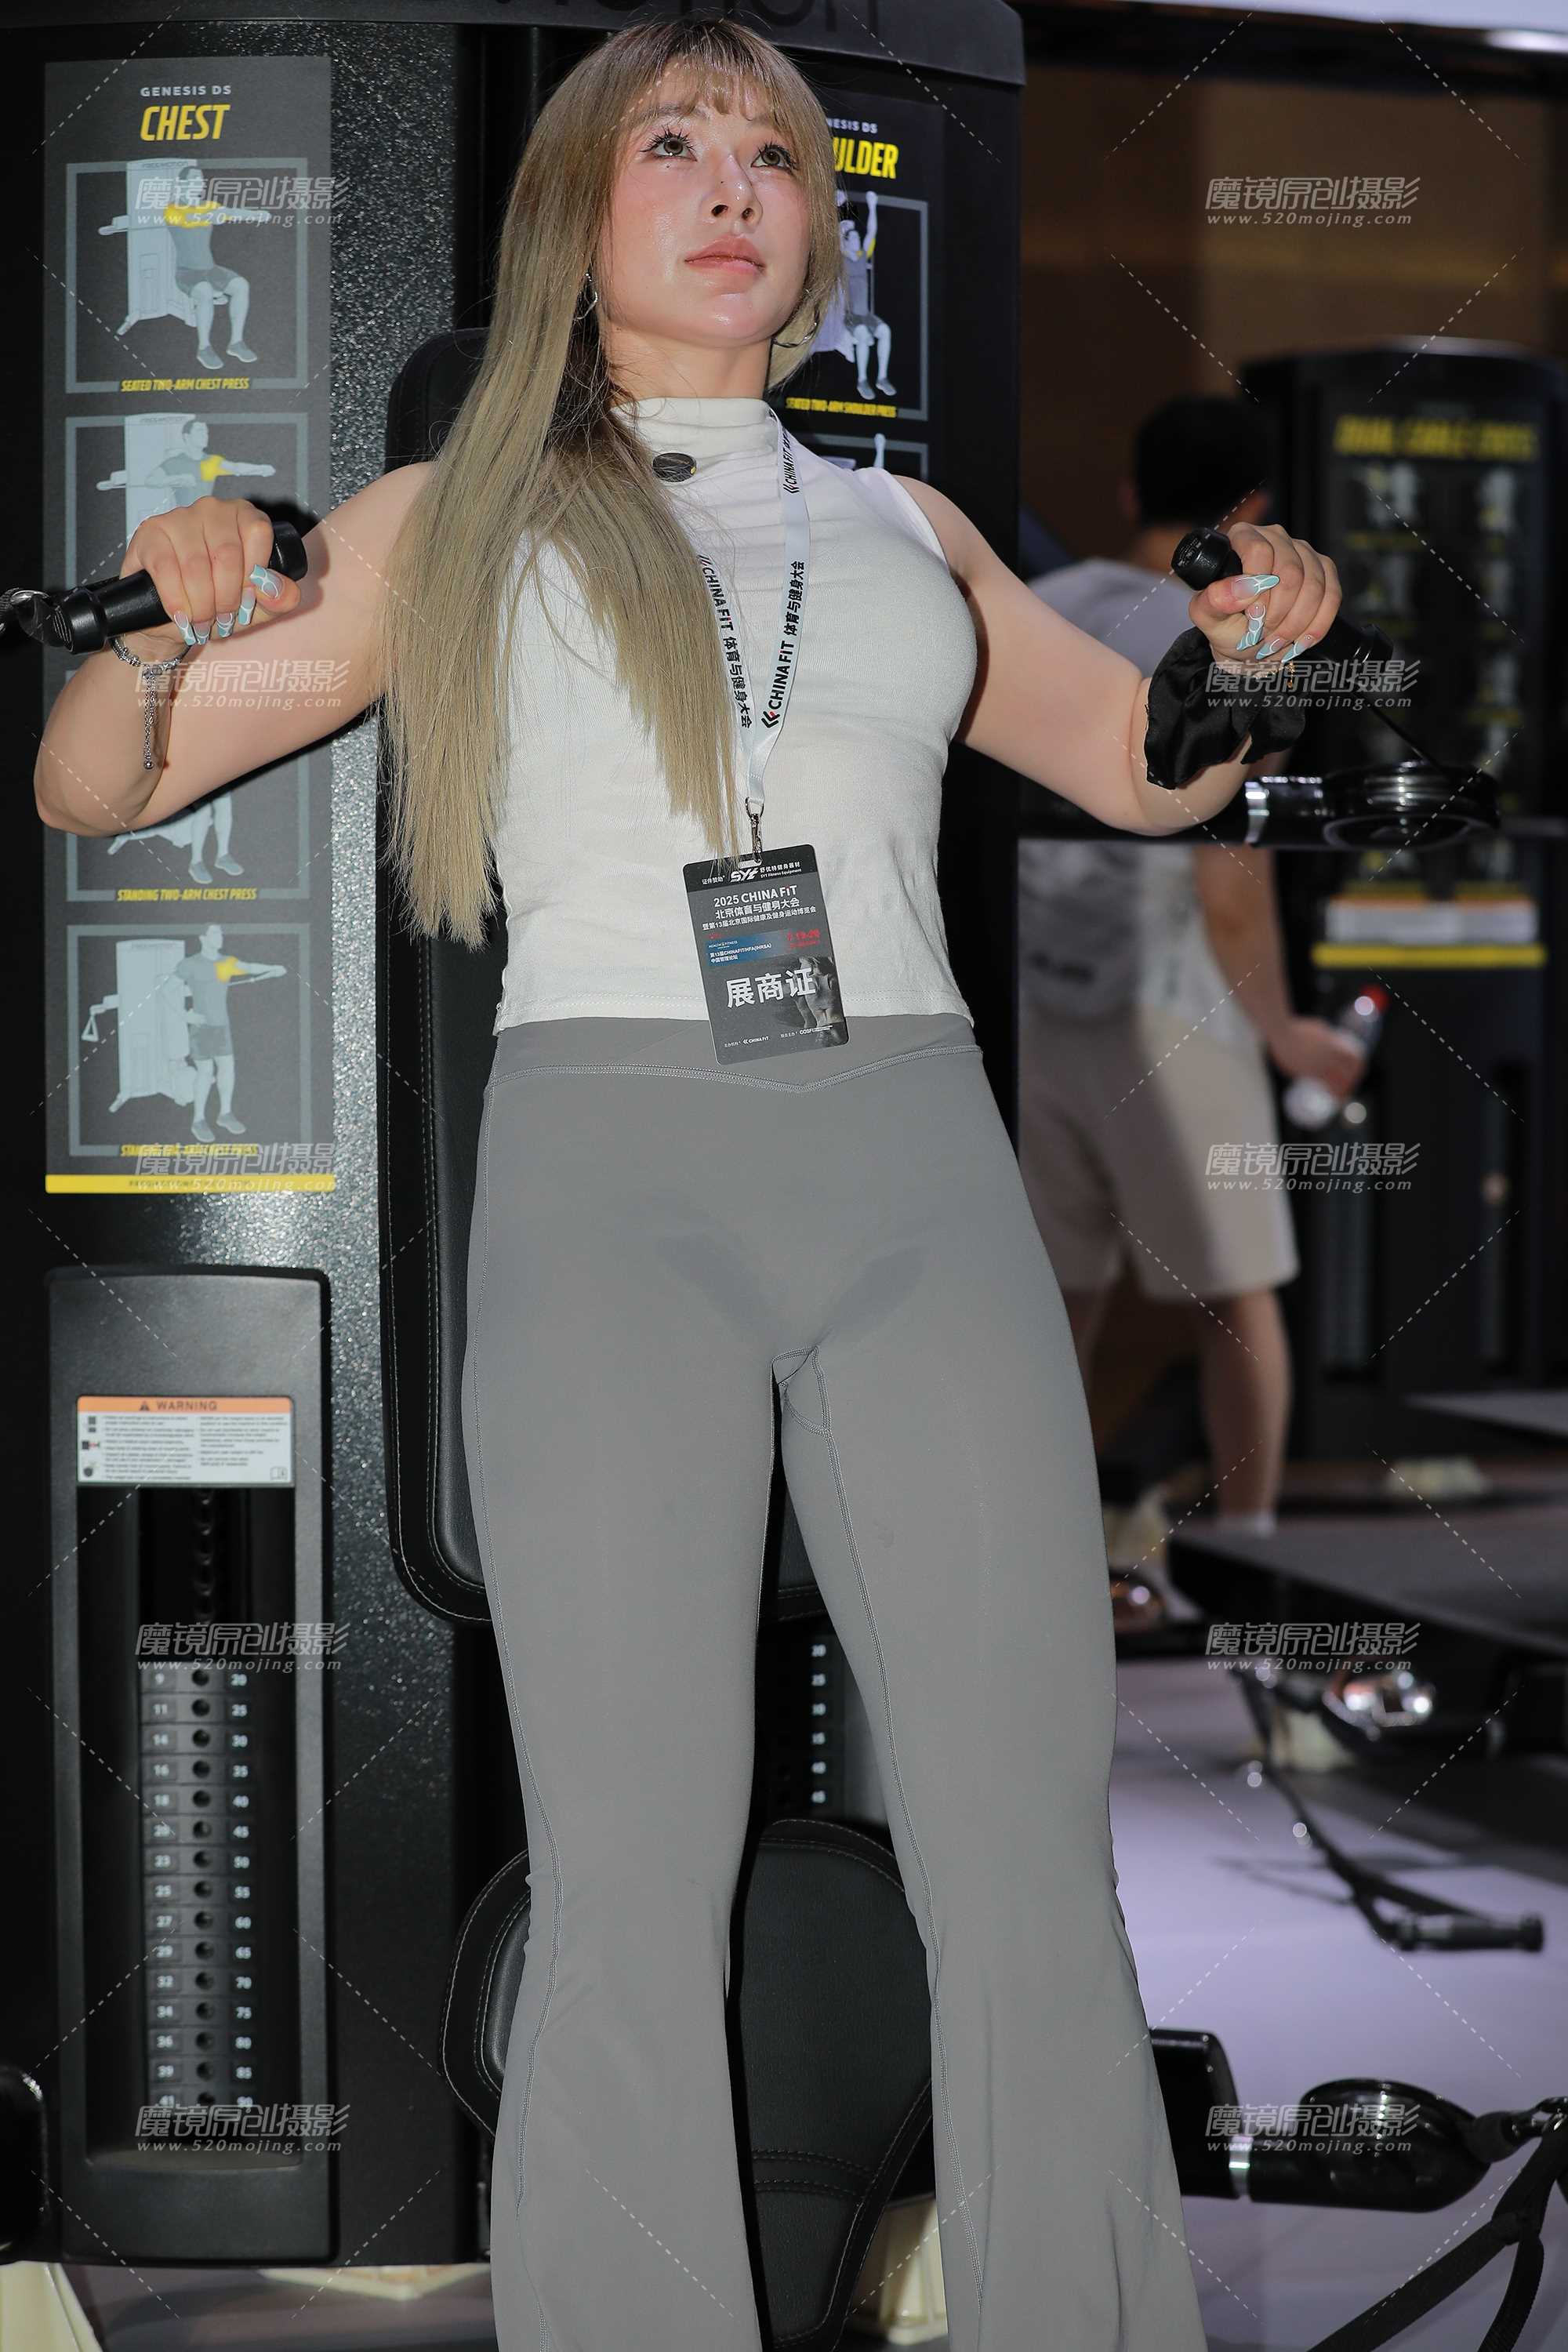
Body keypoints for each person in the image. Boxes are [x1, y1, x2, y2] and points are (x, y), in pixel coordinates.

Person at [34, 21, 1345, 2348]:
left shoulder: (906, 526)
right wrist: (167, 601)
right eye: (673, 141)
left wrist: (1250, 655)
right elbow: (93, 786)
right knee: (633, 1881)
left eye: (769, 151)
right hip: (611, 1182)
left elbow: (1142, 772)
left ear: (817, 233)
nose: (734, 182)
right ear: (579, 212)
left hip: (916, 1159)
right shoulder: (454, 513)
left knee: (1027, 1856)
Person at [1017, 396, 1364, 1623]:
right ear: (1256, 511)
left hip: (1026, 1006)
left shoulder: (1040, 607)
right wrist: (1288, 1034)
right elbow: (1231, 880)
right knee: (1236, 1295)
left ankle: (1038, 1567)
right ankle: (1249, 1561)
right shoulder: (1237, 631)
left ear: (1129, 492)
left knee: (1053, 1304)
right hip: (1171, 1008)